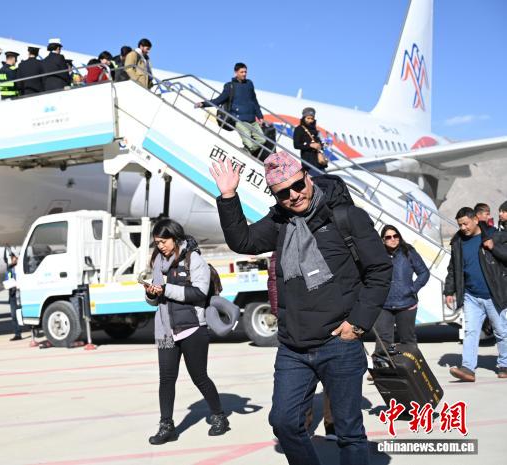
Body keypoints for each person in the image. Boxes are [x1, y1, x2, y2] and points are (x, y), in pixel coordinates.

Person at [210, 151, 392, 465]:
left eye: (297, 185)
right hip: (294, 347)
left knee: (348, 431)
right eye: (283, 193)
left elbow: (379, 270)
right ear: (275, 196)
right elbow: (244, 241)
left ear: (308, 178)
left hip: (339, 342)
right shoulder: (280, 222)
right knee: (284, 422)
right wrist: (228, 197)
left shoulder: (347, 217)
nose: (294, 195)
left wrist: (357, 324)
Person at [144, 218, 229, 445]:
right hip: (166, 330)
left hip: (193, 327)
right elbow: (156, 300)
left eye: (164, 241)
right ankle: (166, 426)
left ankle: (219, 416)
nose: (160, 246)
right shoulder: (157, 261)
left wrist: (165, 289)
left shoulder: (194, 259)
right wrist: (151, 294)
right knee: (166, 379)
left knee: (199, 377)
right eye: (157, 242)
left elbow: (198, 293)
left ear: (175, 238)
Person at [444, 207, 507, 381]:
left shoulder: (494, 235)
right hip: (471, 296)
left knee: (501, 332)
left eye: (465, 224)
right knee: (470, 332)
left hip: (493, 294)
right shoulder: (457, 241)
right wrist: (449, 290)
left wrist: (494, 247)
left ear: (475, 220)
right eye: (460, 225)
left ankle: (505, 365)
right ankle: (468, 368)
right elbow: (453, 268)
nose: (462, 228)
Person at [373, 225, 429, 354]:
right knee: (383, 341)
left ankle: (412, 365)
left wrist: (412, 289)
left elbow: (424, 272)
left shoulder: (408, 252)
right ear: (383, 240)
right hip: (384, 304)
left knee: (407, 340)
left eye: (395, 236)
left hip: (406, 303)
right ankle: (382, 365)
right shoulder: (377, 254)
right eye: (388, 237)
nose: (393, 239)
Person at [195, 63, 266, 157]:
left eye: (245, 72)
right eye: (242, 72)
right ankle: (245, 153)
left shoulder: (249, 84)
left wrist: (260, 116)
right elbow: (219, 100)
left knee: (262, 140)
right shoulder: (230, 86)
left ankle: (246, 151)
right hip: (239, 120)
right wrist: (203, 104)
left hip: (252, 119)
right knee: (249, 143)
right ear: (236, 73)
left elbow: (254, 101)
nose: (244, 74)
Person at [293, 107, 328, 173]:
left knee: (324, 177)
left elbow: (323, 144)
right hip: (308, 162)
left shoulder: (316, 131)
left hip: (319, 161)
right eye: (308, 118)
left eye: (312, 118)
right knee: (314, 177)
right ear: (304, 118)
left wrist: (322, 145)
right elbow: (296, 145)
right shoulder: (299, 129)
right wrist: (310, 145)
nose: (310, 120)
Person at [4, 249, 23, 341]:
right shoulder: (9, 269)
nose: (12, 259)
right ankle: (17, 334)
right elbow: (8, 278)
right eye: (11, 258)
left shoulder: (21, 267)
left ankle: (33, 330)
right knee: (13, 315)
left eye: (13, 257)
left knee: (23, 313)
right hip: (12, 294)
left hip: (20, 293)